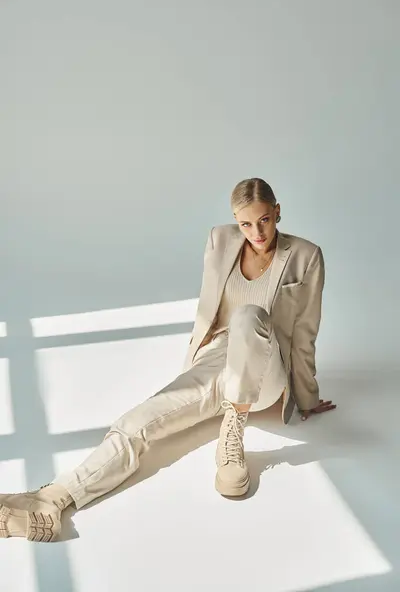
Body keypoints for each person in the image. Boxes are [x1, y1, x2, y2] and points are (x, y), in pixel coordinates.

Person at [0, 177, 336, 543]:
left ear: (277, 212)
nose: (256, 231)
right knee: (137, 424)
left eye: (264, 221)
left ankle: (233, 428)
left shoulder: (305, 255)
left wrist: (306, 397)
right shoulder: (220, 240)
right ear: (234, 220)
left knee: (248, 316)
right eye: (245, 223)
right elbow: (208, 311)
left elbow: (304, 332)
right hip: (216, 359)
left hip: (265, 369)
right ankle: (53, 499)